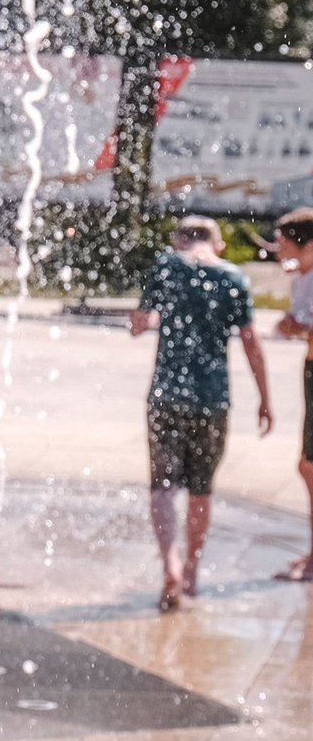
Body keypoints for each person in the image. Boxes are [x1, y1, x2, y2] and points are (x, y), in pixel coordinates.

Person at [132, 215, 271, 612]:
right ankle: (191, 568)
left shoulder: (165, 265)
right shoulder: (234, 278)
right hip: (213, 400)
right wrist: (265, 398)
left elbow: (140, 321)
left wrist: (143, 322)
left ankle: (170, 564)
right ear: (219, 243)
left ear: (179, 240)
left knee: (161, 484)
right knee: (201, 487)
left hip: (165, 395)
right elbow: (250, 342)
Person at [270, 208, 313, 582]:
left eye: (285, 246)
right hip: (310, 370)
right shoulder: (301, 279)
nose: (278, 252)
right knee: (307, 465)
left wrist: (296, 327)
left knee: (310, 467)